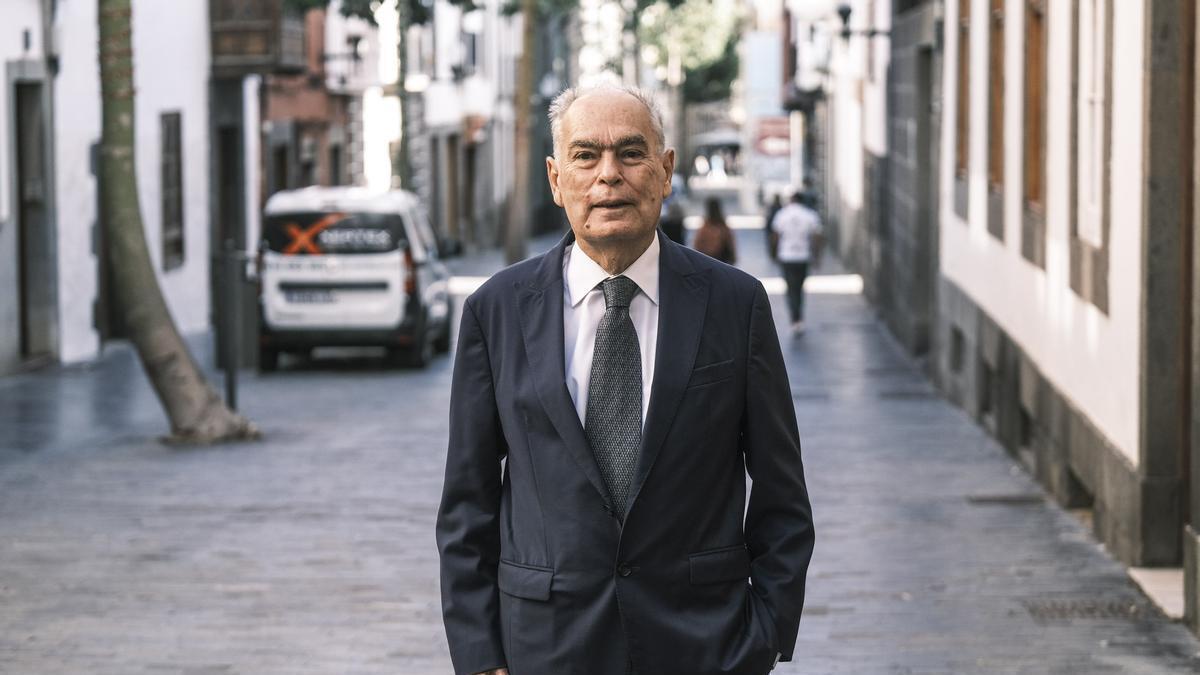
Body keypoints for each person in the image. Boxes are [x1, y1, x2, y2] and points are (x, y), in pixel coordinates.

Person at [436, 83, 814, 675]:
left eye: (631, 153)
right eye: (586, 156)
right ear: (557, 179)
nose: (608, 175)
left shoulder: (736, 305)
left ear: (664, 172)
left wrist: (762, 639)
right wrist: (481, 658)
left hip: (703, 646)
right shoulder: (497, 311)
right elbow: (467, 505)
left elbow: (782, 496)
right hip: (543, 646)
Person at [772, 191, 824, 335]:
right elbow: (817, 236)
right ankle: (798, 318)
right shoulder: (809, 214)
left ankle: (795, 319)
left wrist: (774, 253)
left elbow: (775, 235)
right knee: (799, 288)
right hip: (803, 256)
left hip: (787, 256)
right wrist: (817, 256)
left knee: (790, 288)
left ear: (791, 200)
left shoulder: (782, 214)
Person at [691, 196, 737, 265]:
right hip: (723, 261)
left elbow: (697, 245)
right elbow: (731, 244)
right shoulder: (723, 227)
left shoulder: (705, 227)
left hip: (707, 260)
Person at [764, 193, 784, 260]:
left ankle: (773, 255)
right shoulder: (780, 207)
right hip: (774, 228)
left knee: (773, 243)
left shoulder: (775, 207)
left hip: (773, 228)